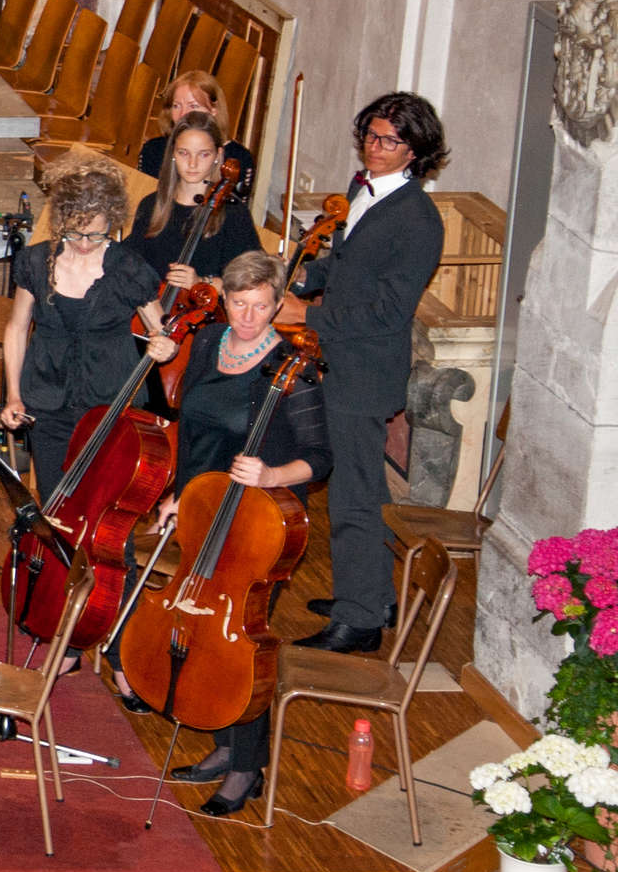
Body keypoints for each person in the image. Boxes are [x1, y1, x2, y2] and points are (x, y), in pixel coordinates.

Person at [133, 250, 332, 817]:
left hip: (259, 518)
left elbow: (320, 458)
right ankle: (223, 746)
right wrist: (177, 492)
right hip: (204, 504)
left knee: (243, 637)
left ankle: (248, 766)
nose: (248, 317)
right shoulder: (212, 343)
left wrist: (272, 473)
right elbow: (192, 431)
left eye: (261, 306)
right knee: (203, 626)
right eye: (239, 304)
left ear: (277, 305)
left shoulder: (294, 365)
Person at [281, 92, 449, 654]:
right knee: (356, 485)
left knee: (354, 495)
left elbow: (388, 309)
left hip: (366, 368)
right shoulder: (362, 190)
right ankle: (371, 592)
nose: (375, 149)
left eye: (390, 141)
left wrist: (311, 315)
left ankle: (360, 621)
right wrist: (301, 278)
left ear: (416, 152)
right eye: (370, 136)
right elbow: (347, 261)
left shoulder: (418, 220)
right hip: (339, 357)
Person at [0, 165, 157, 498]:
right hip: (47, 401)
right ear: (61, 222)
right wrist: (13, 394)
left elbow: (162, 333)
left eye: (96, 235)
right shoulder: (37, 262)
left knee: (104, 502)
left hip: (110, 406)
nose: (84, 243)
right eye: (74, 233)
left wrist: (165, 347)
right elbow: (16, 328)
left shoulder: (128, 269)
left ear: (111, 222)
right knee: (56, 505)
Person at [128, 112, 259, 298]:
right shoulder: (151, 205)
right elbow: (131, 268)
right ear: (172, 153)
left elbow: (251, 283)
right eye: (183, 153)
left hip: (207, 319)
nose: (192, 163)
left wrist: (202, 283)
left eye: (203, 154)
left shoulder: (233, 213)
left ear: (218, 155)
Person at [134, 70, 253, 179]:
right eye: (176, 106)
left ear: (214, 110)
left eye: (193, 106)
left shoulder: (239, 158)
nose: (183, 114)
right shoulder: (154, 150)